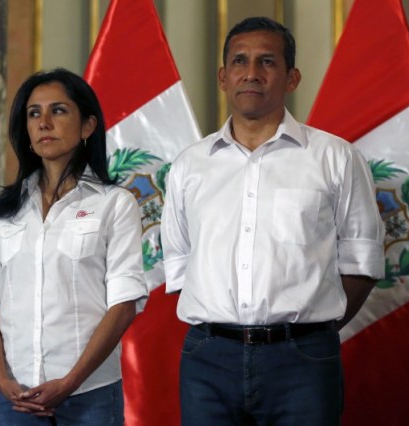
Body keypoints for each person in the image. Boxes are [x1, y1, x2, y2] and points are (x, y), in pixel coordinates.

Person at [161, 17, 385, 425]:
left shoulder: (335, 158)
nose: (251, 73)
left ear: (292, 77)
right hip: (208, 359)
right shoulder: (189, 165)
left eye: (267, 62)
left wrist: (309, 329)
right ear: (223, 77)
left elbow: (362, 263)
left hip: (303, 360)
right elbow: (178, 262)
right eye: (239, 62)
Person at [0, 68, 147, 425]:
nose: (44, 122)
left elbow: (124, 305)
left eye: (58, 110)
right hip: (16, 397)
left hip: (89, 395)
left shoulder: (114, 204)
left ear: (87, 126)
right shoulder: (6, 209)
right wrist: (3, 380)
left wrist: (70, 382)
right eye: (34, 113)